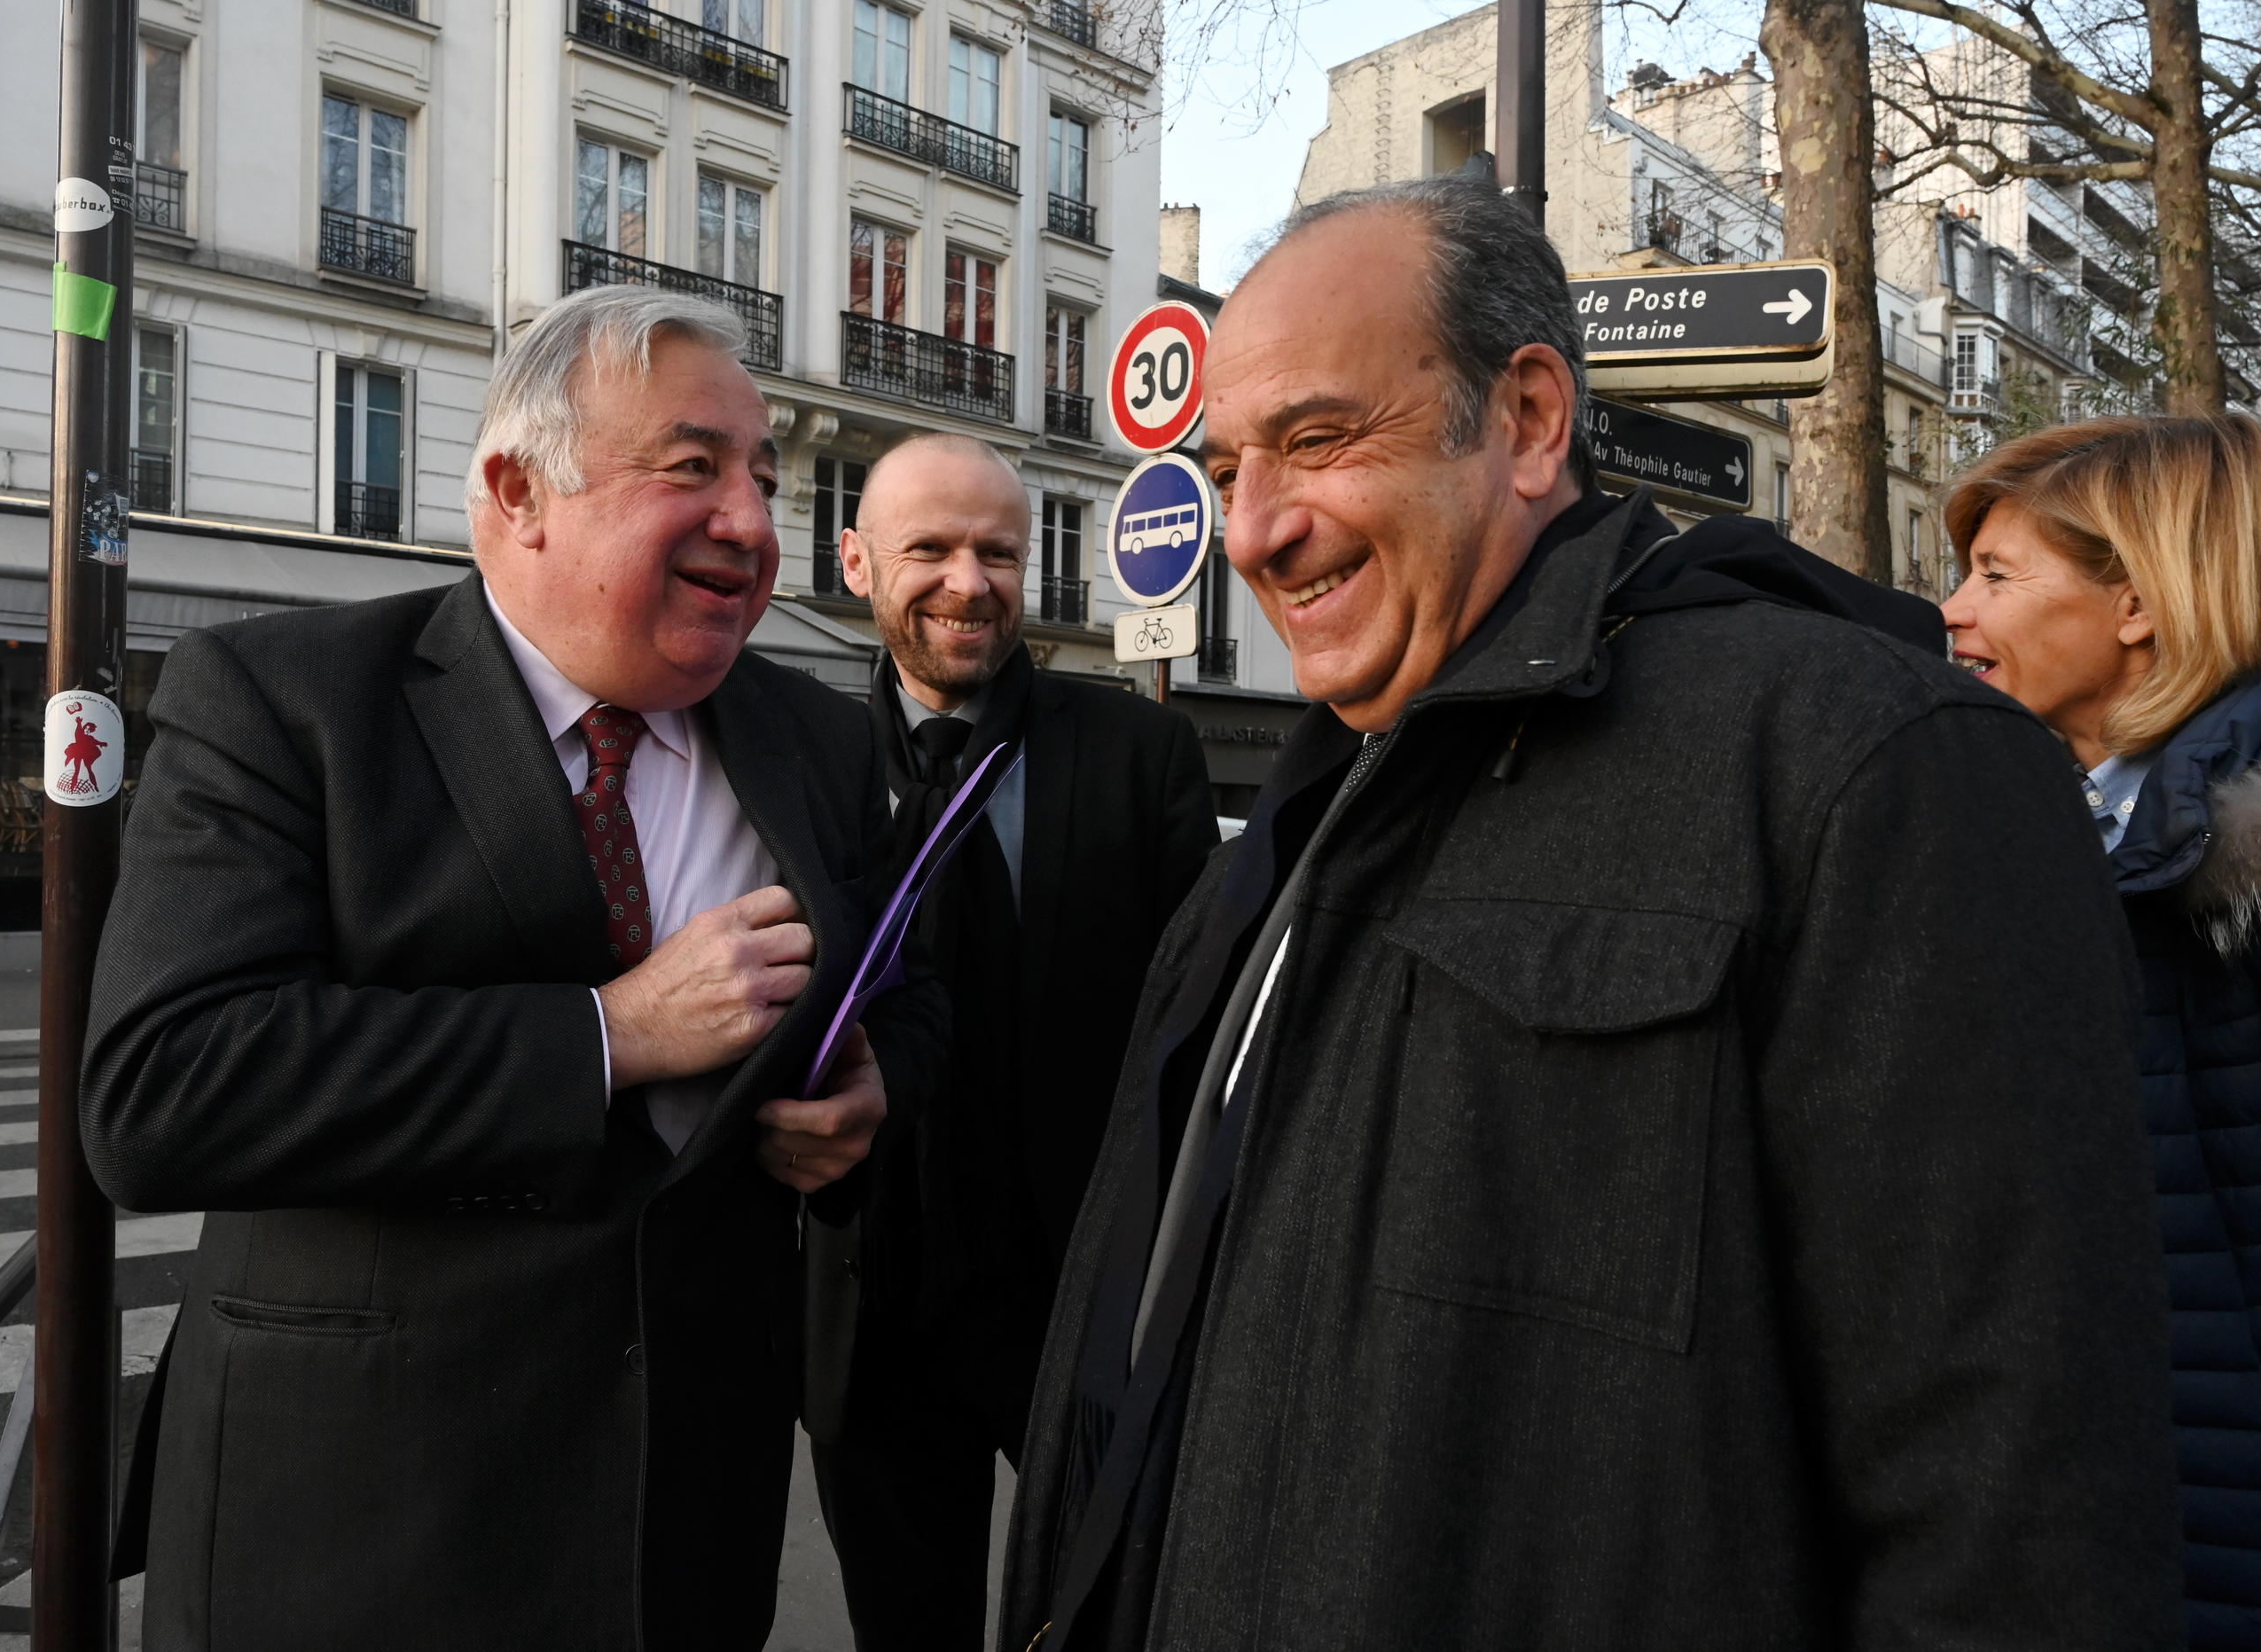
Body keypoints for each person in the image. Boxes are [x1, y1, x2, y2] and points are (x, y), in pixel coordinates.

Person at [997, 175, 2182, 1651]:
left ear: (1532, 419)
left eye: (1314, 441)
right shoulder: (1310, 811)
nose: (1251, 530)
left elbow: (2016, 1527)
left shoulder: (1870, 763)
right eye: (1230, 465)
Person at [79, 285, 945, 1652]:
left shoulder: (821, 744)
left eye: (766, 479)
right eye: (692, 468)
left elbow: (909, 990)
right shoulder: (283, 700)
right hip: (357, 1532)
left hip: (688, 1530)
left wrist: (878, 1087)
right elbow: (162, 1092)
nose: (752, 521)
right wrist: (609, 1034)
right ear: (517, 489)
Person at [806, 433, 1216, 1651]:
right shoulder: (800, 764)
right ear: (858, 560)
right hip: (872, 1312)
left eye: (996, 549)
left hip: (1077, 1299)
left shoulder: (1143, 757)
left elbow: (1192, 1033)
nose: (967, 580)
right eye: (928, 548)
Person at [1940, 413, 2261, 1651]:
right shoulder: (2080, 835)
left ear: (2137, 604)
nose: (1953, 612)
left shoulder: (2214, 886)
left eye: (1998, 577)